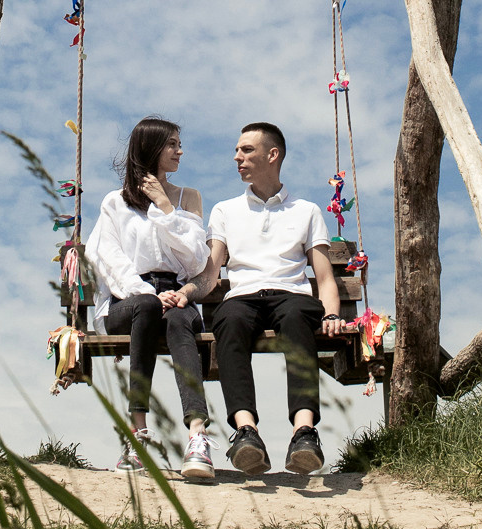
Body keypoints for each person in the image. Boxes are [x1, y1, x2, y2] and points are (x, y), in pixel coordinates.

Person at [166, 122, 343, 475]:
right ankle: (246, 432)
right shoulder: (225, 211)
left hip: (291, 295)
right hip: (243, 297)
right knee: (228, 320)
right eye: (237, 150)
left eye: (246, 150)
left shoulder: (305, 210)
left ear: (272, 155)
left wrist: (331, 315)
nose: (237, 157)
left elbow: (324, 278)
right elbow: (212, 271)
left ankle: (304, 432)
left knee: (296, 318)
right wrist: (187, 292)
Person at [86, 116, 215, 480]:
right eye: (172, 144)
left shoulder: (187, 198)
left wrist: (165, 207)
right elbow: (107, 258)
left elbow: (196, 259)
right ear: (152, 148)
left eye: (178, 143)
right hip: (129, 299)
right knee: (145, 306)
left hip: (176, 295)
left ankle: (197, 436)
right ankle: (137, 436)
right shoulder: (115, 203)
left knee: (178, 318)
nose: (180, 151)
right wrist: (146, 293)